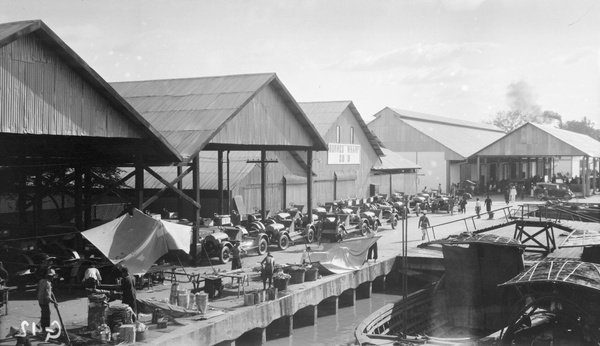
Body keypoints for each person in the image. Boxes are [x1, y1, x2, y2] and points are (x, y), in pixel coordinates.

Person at [37, 268, 57, 332]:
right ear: (50, 277)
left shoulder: (41, 281)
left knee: (44, 312)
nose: (53, 278)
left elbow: (37, 288)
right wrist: (54, 302)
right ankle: (43, 328)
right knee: (47, 314)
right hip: (44, 301)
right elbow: (47, 297)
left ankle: (40, 324)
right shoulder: (48, 284)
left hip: (40, 299)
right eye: (52, 277)